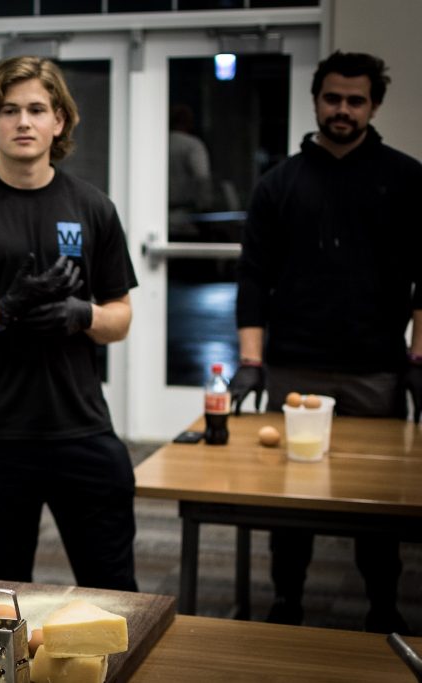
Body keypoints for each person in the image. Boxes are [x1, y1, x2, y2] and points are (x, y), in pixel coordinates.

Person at [0, 56, 139, 591]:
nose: (23, 122)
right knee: (6, 590)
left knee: (112, 585)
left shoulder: (93, 207)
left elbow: (121, 318)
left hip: (81, 426)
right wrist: (3, 311)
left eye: (37, 109)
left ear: (59, 121)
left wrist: (80, 313)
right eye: (8, 110)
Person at [232, 51, 422, 633]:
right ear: (316, 100)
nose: (343, 110)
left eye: (356, 100)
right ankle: (287, 599)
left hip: (377, 368)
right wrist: (250, 361)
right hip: (294, 367)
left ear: (374, 105)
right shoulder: (279, 183)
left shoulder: (406, 177)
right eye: (333, 98)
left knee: (378, 501)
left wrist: (419, 358)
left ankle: (383, 606)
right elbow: (253, 279)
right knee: (290, 500)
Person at [168, 103, 213, 240]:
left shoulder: (158, 142)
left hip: (160, 217)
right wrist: (205, 207)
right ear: (189, 122)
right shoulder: (192, 145)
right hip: (186, 220)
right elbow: (202, 177)